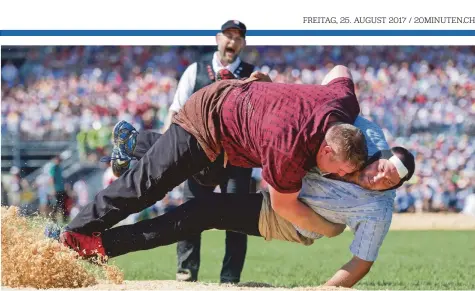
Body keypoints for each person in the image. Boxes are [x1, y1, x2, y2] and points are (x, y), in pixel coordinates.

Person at [59, 115, 415, 288]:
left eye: (389, 181)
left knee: (200, 212)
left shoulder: (379, 209)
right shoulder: (364, 145)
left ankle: (101, 246)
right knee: (210, 154)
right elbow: (342, 83)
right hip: (281, 180)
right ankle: (138, 143)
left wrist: (326, 289)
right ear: (379, 155)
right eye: (382, 169)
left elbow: (362, 261)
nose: (379, 178)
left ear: (394, 188)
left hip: (287, 217)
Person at [59, 64, 368, 259]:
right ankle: (77, 232)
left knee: (203, 184)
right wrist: (331, 230)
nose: (338, 176)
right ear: (326, 150)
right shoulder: (287, 147)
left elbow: (340, 70)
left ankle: (136, 143)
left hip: (232, 140)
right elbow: (284, 207)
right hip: (207, 119)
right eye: (338, 171)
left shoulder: (341, 103)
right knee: (150, 185)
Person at [158, 20, 256, 283]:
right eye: (228, 35)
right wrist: (166, 154)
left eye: (238, 37)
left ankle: (230, 279)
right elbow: (175, 112)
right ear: (217, 38)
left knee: (238, 219)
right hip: (198, 158)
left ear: (243, 44)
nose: (232, 41)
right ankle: (186, 274)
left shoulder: (254, 74)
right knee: (189, 214)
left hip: (238, 159)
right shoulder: (195, 71)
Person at [49, 156, 67, 223]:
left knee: (62, 206)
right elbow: (51, 179)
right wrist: (52, 189)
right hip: (56, 190)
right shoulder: (54, 168)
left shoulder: (60, 168)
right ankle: (53, 220)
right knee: (55, 206)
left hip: (61, 189)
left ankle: (63, 220)